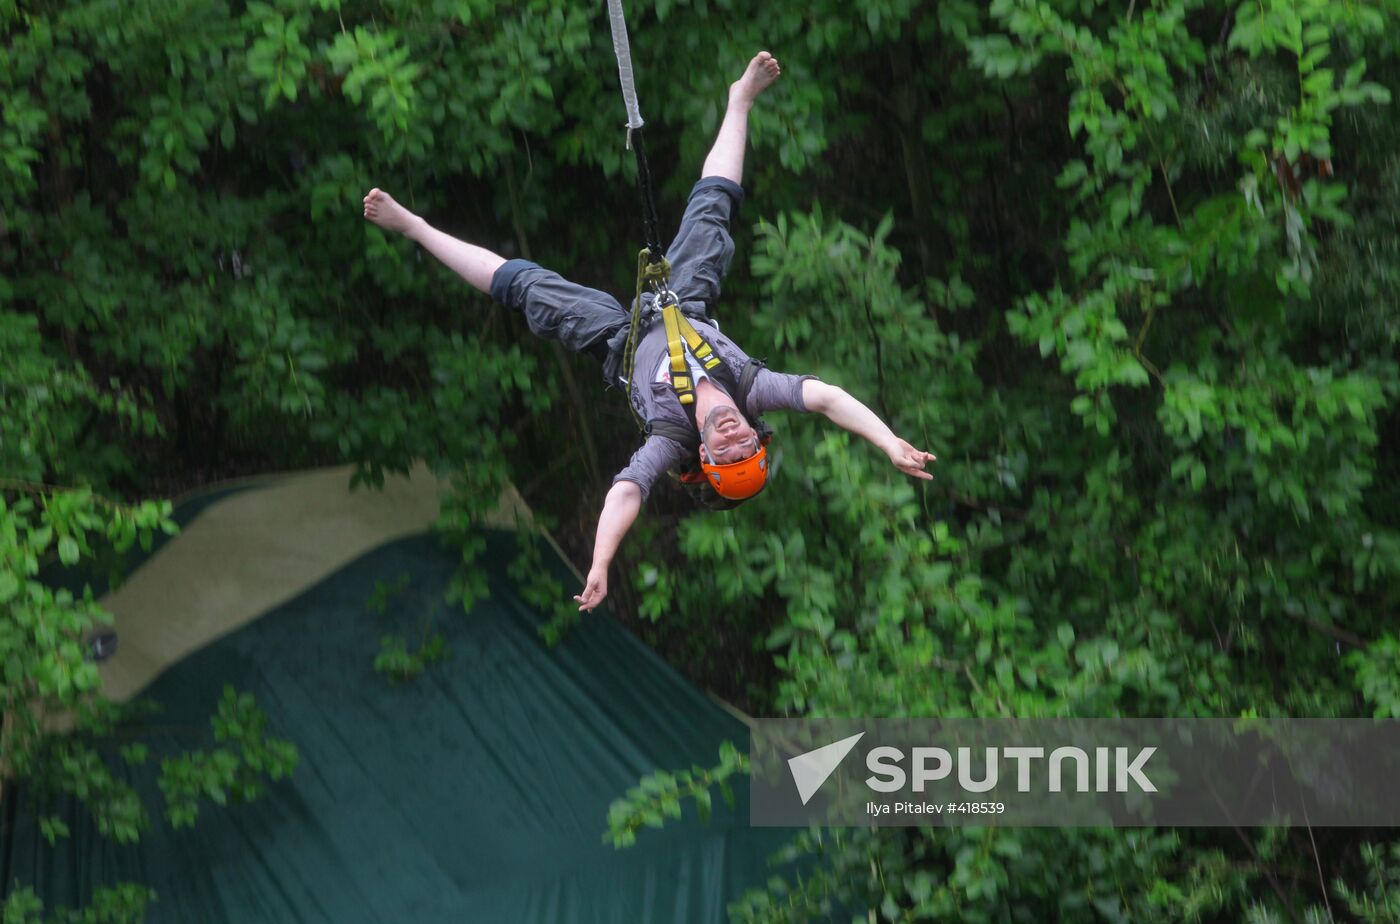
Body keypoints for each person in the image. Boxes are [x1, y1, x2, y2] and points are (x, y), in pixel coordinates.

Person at [363, 51, 935, 613]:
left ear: (704, 456)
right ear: (757, 437)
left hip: (621, 341)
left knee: (525, 288)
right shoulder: (753, 390)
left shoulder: (668, 436)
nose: (733, 437)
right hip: (684, 304)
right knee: (712, 211)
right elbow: (828, 398)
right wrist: (887, 443)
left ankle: (413, 227)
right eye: (746, 447)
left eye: (725, 452)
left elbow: (626, 493)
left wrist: (600, 562)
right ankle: (740, 101)